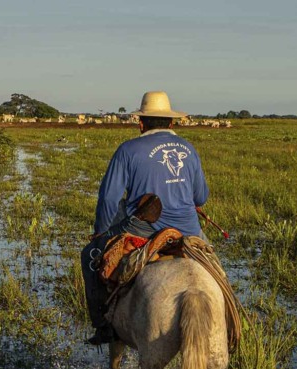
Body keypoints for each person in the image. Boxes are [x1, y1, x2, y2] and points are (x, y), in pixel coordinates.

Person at [81, 90, 210, 345]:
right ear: (171, 122)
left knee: (89, 257)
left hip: (144, 230)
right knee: (216, 270)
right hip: (189, 231)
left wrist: (100, 233)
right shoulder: (188, 148)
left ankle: (103, 325)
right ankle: (229, 323)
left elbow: (109, 199)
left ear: (141, 123)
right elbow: (201, 197)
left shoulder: (128, 149)